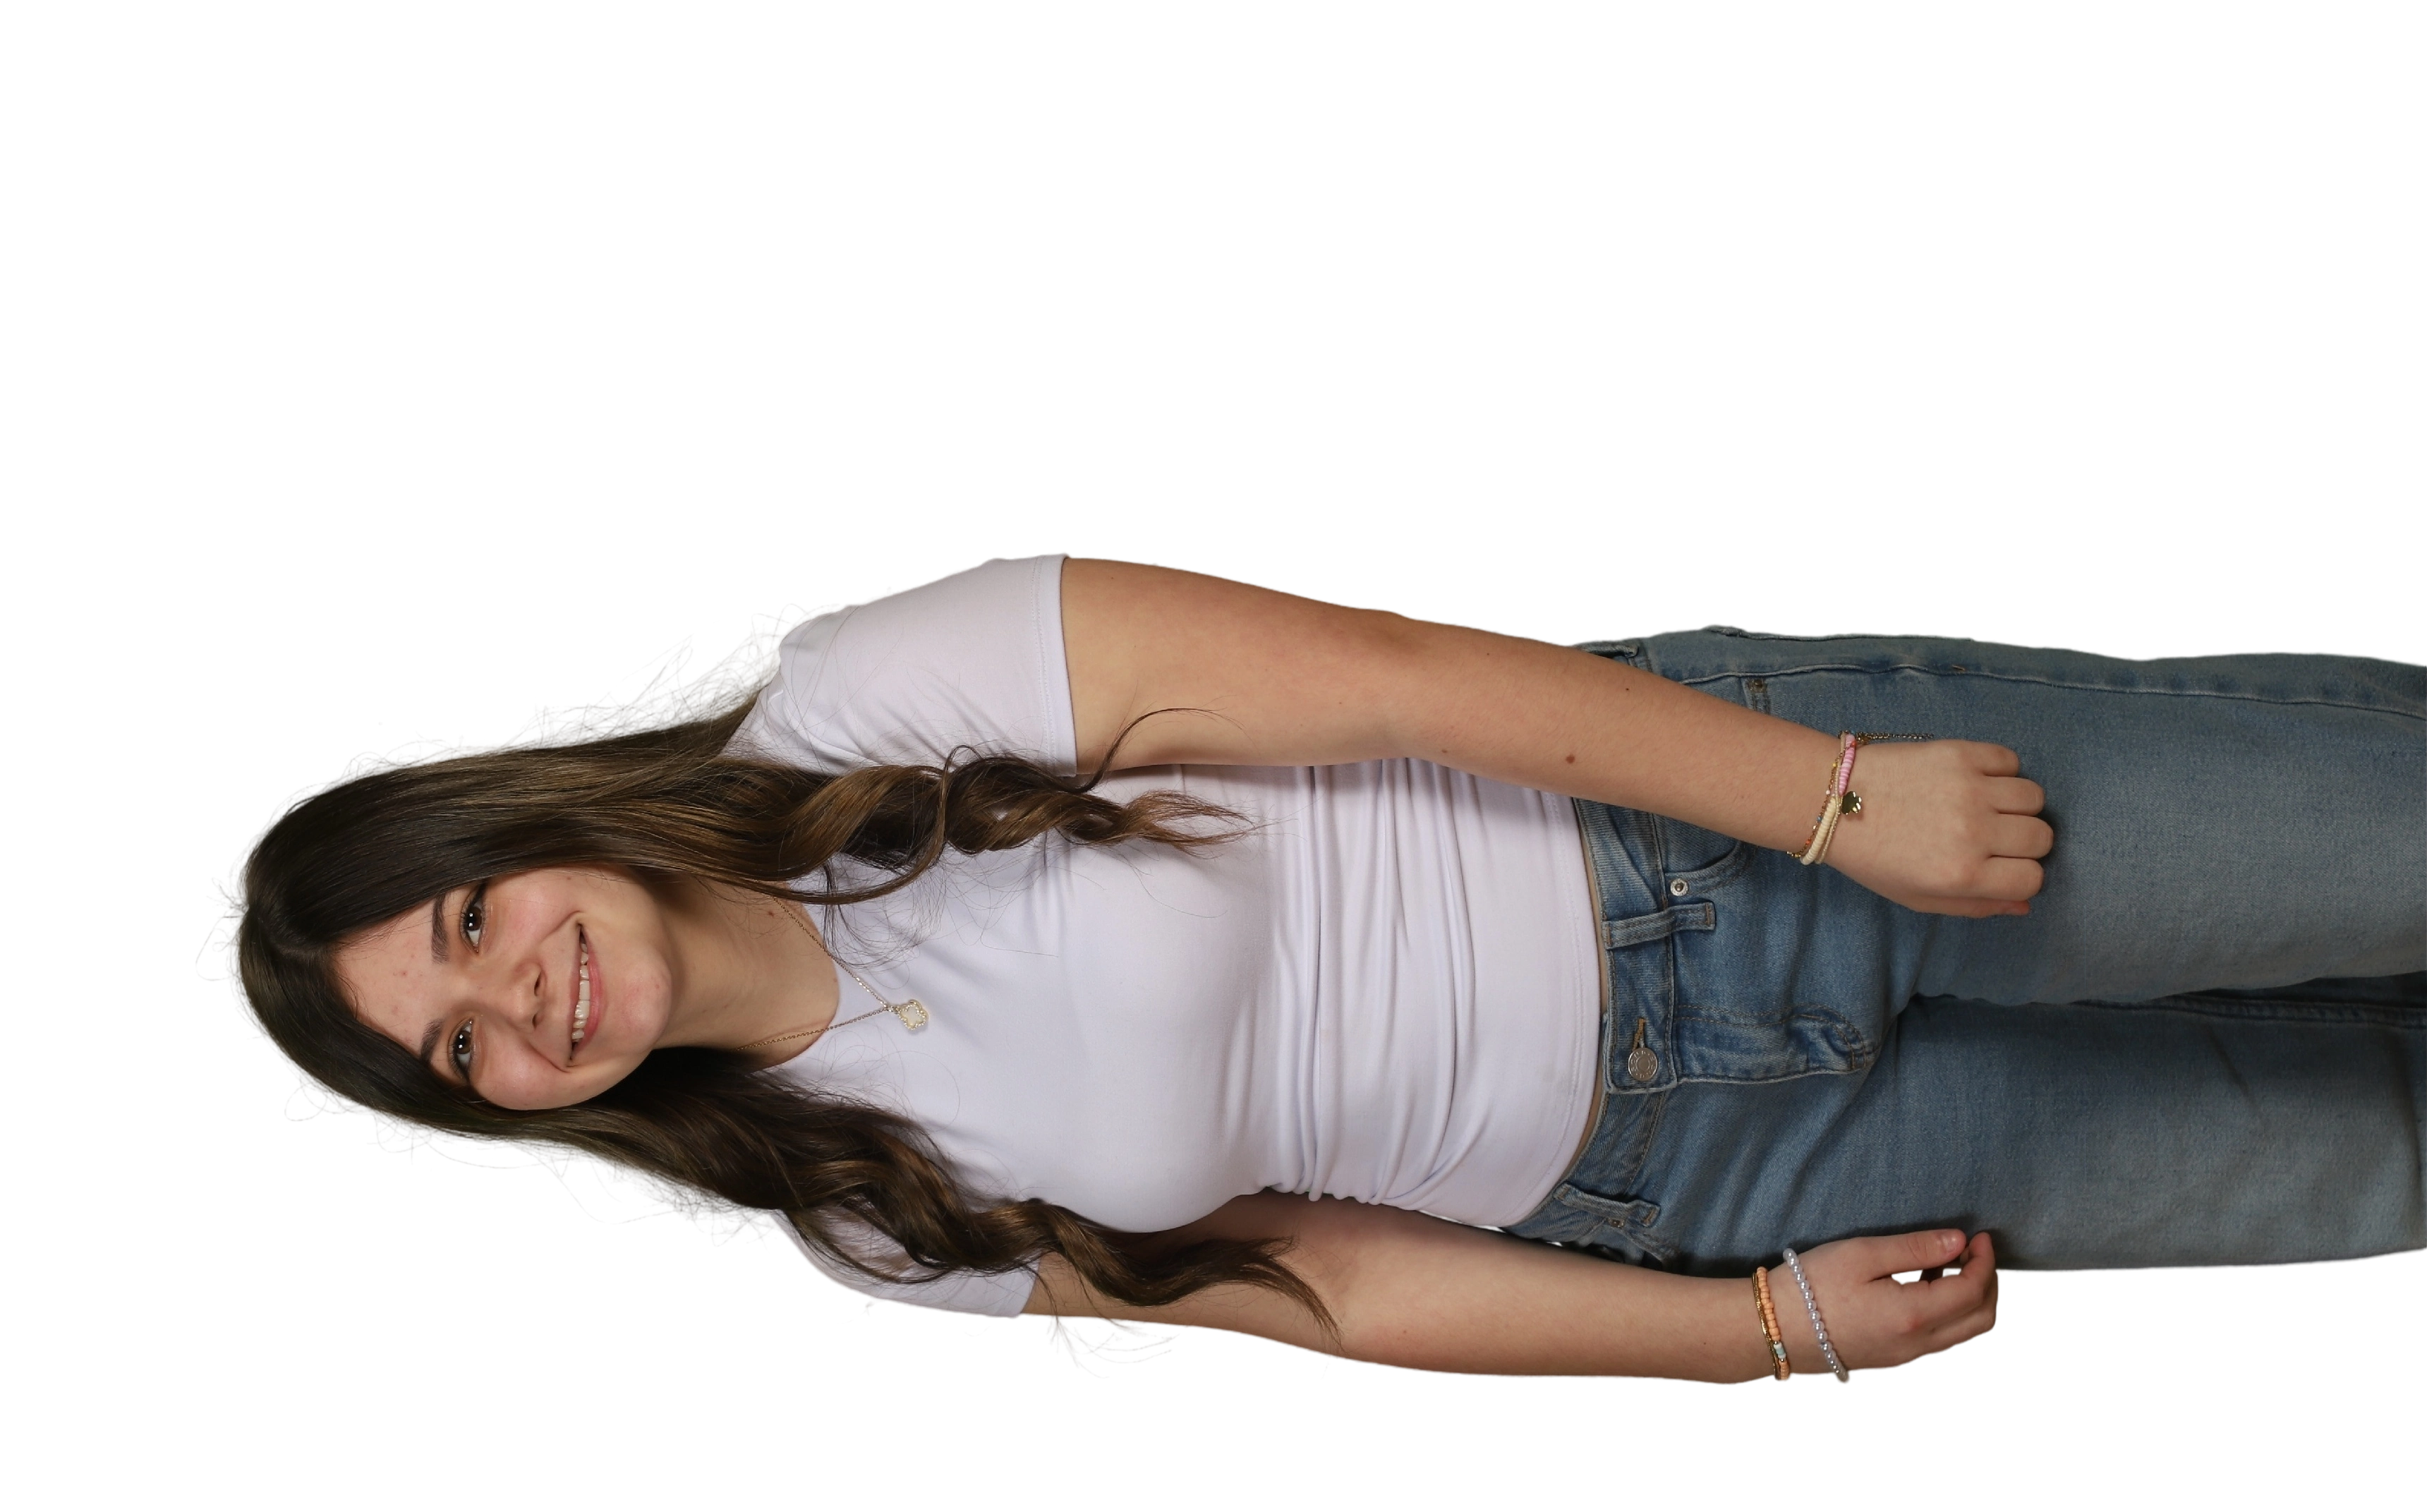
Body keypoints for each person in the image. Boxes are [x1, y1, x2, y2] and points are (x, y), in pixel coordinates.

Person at [197, 551, 2427, 1386]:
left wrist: (1830, 803)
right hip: (1713, 1180)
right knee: (2368, 1170)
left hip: (1727, 852)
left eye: (470, 923)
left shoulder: (848, 705)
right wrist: (1752, 1333)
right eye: (460, 1052)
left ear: (516, 824)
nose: (523, 1004)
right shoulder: (850, 1217)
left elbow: (1384, 678)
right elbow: (1321, 1285)